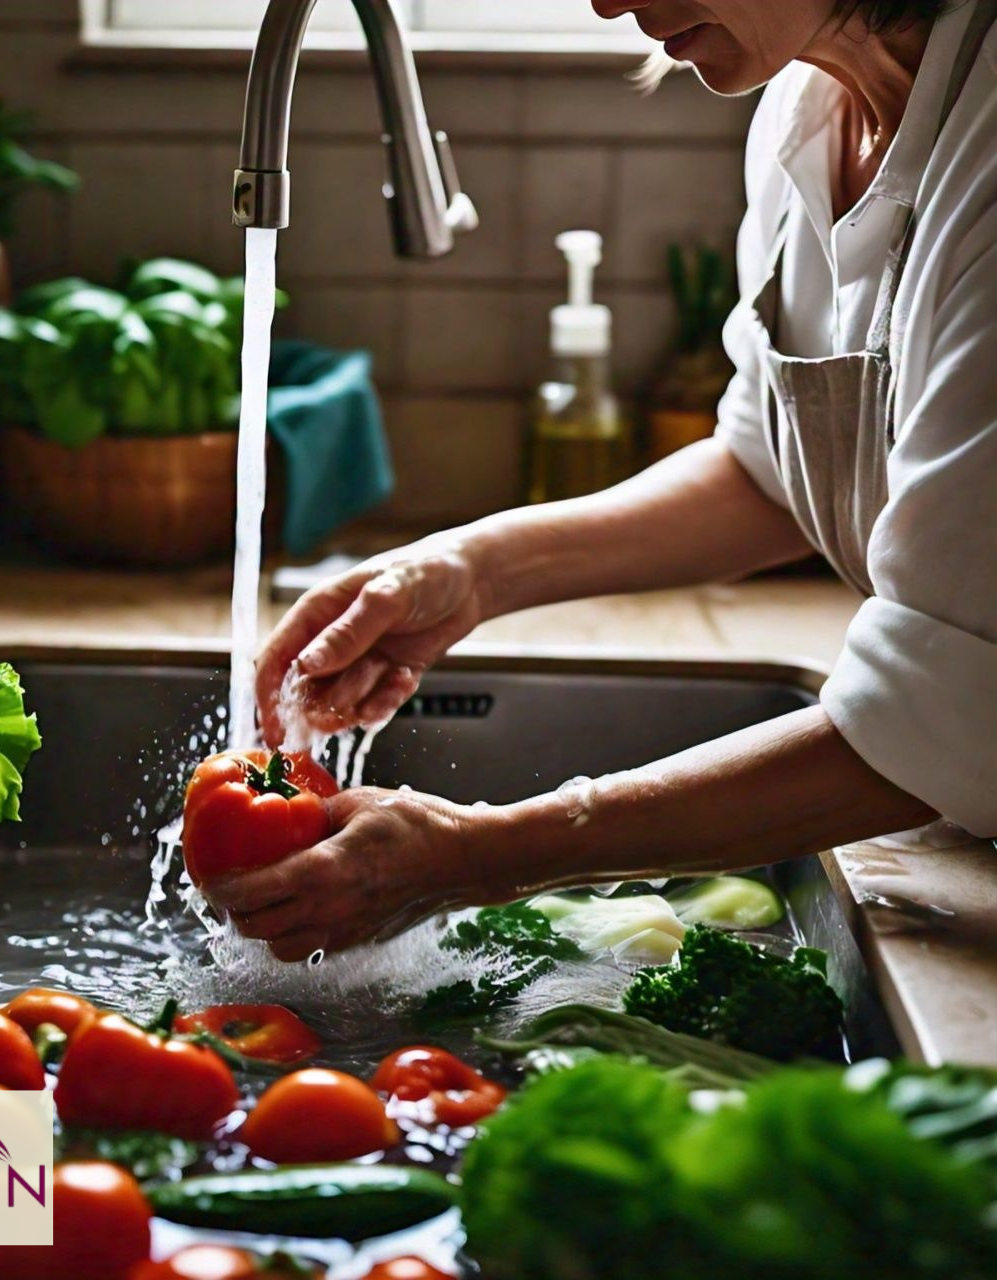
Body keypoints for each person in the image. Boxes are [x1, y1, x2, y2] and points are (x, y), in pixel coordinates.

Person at [206, 0, 997, 963]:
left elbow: (946, 705)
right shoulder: (809, 111)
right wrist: (471, 568)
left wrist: (476, 854)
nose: (607, 2)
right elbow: (770, 471)